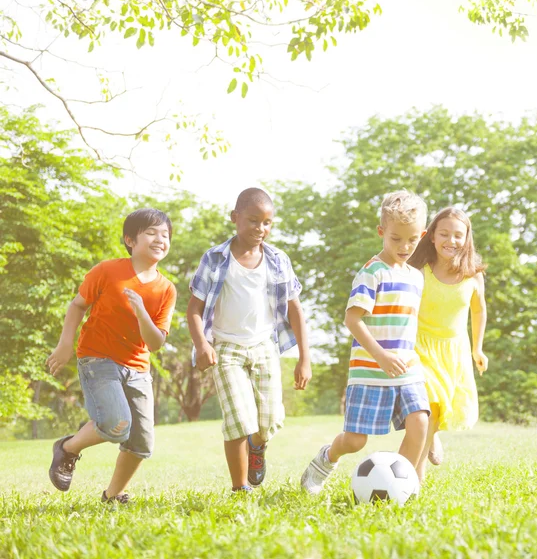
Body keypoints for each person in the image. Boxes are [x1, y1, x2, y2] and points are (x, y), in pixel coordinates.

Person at [301, 190, 430, 494]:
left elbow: (408, 324)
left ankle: (401, 488)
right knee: (355, 440)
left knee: (420, 423)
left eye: (412, 239)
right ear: (382, 232)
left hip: (407, 368)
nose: (404, 246)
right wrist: (381, 356)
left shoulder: (416, 276)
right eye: (396, 239)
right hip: (370, 369)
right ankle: (324, 460)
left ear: (422, 235)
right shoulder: (371, 272)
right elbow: (352, 320)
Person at [47, 208, 176, 503]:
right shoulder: (107, 271)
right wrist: (65, 343)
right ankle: (67, 448)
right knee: (117, 425)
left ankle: (112, 496)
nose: (160, 239)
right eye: (151, 232)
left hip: (138, 368)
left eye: (165, 235)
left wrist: (143, 312)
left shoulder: (166, 289)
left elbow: (155, 343)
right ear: (130, 240)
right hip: (97, 359)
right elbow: (77, 305)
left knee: (142, 443)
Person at [187, 187, 312, 493]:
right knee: (239, 419)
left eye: (267, 223)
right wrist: (202, 344)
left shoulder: (278, 260)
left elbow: (294, 309)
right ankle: (240, 487)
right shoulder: (215, 259)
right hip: (226, 349)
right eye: (253, 220)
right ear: (235, 218)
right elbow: (194, 309)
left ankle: (258, 447)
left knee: (268, 422)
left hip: (265, 346)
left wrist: (304, 358)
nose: (260, 228)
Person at [408, 207, 488, 481]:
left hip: (454, 350)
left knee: (440, 406)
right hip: (419, 347)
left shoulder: (473, 275)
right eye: (444, 234)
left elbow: (479, 310)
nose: (450, 241)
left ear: (467, 238)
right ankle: (415, 478)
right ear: (431, 236)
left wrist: (478, 348)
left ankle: (433, 437)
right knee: (428, 405)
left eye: (458, 235)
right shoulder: (419, 270)